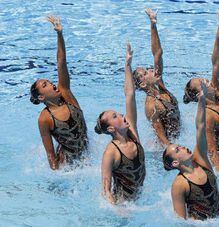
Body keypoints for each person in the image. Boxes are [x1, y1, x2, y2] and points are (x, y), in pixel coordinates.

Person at [30, 16, 88, 170]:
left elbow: (61, 62)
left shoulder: (66, 94)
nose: (52, 84)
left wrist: (60, 34)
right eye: (45, 85)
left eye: (49, 82)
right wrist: (57, 175)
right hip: (67, 164)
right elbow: (50, 153)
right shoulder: (45, 118)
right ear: (41, 97)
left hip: (87, 156)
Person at [183, 12, 219, 172]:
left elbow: (217, 64)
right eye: (203, 83)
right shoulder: (208, 116)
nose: (208, 81)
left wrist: (218, 37)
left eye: (204, 79)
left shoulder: (217, 94)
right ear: (200, 95)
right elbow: (212, 150)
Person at [95, 43, 145, 203]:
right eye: (115, 116)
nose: (122, 115)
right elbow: (105, 189)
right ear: (110, 128)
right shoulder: (111, 153)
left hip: (139, 200)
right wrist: (119, 211)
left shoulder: (132, 134)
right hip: (123, 205)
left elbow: (129, 94)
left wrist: (128, 66)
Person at [163, 81, 219, 220]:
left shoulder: (201, 159)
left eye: (180, 146)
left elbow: (200, 127)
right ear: (175, 163)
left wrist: (201, 100)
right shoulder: (179, 184)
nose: (183, 147)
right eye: (178, 150)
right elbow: (181, 220)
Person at [133, 8, 180, 146]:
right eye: (146, 73)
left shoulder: (159, 85)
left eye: (148, 69)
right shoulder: (151, 106)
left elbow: (157, 54)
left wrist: (153, 24)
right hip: (166, 147)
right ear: (142, 84)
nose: (151, 70)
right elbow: (161, 137)